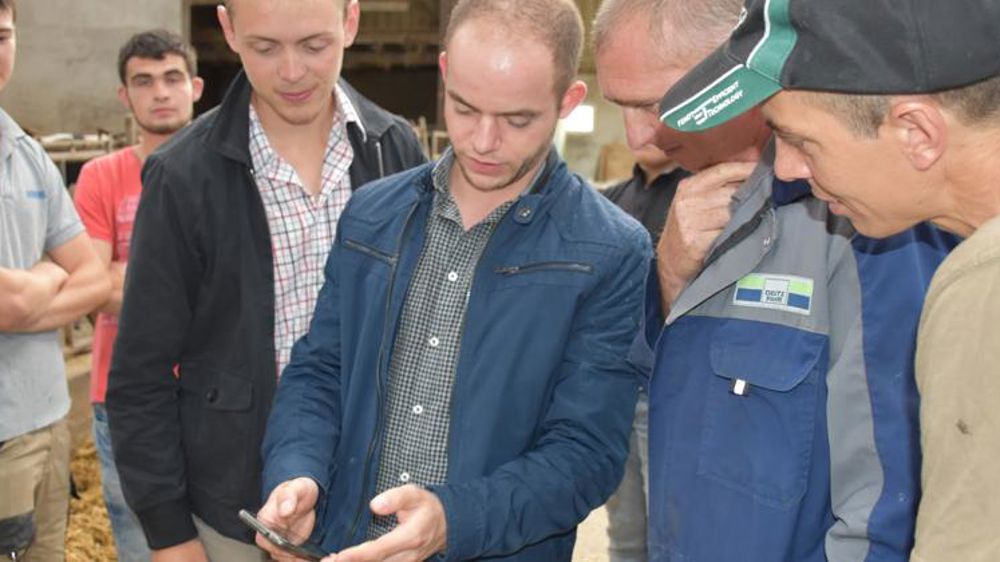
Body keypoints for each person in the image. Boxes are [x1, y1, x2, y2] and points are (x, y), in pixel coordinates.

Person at [254, 0, 651, 559]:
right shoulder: (373, 216)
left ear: (568, 101)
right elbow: (320, 370)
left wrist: (454, 519)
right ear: (444, 75)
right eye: (464, 109)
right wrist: (298, 473)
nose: (484, 141)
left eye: (517, 120)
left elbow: (585, 453)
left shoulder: (608, 251)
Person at [594, 0, 958, 560]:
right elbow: (653, 405)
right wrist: (666, 279)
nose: (639, 136)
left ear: (733, 71)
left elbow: (888, 508)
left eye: (656, 104)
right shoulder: (696, 208)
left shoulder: (863, 219)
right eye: (622, 105)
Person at [105, 0, 426, 560]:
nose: (293, 71)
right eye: (265, 47)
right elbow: (139, 374)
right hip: (235, 509)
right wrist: (170, 534)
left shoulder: (394, 150)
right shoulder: (183, 176)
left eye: (314, 44)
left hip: (374, 499)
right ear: (227, 29)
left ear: (350, 21)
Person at [72, 29, 204, 562]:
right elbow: (94, 287)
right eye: (143, 82)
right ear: (124, 96)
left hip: (212, 391)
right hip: (122, 395)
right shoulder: (100, 176)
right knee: (139, 536)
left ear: (195, 86)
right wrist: (195, 280)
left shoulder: (224, 171)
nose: (160, 93)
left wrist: (131, 278)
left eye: (173, 78)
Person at [0, 0, 111, 559]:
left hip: (47, 420)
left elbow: (93, 279)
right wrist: (49, 275)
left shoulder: (25, 150)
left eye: (2, 35)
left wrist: (31, 289)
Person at [600, 143, 686, 562]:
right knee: (626, 532)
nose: (642, 123)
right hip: (615, 392)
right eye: (630, 109)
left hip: (668, 394)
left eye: (651, 108)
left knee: (670, 532)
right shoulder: (609, 202)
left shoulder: (696, 196)